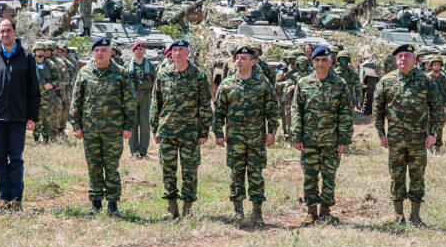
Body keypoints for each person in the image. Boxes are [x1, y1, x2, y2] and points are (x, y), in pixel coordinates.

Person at [0, 18, 40, 211]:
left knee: (17, 159)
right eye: (2, 31)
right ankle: (4, 198)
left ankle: (17, 200)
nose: (5, 34)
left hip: (18, 117)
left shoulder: (27, 57)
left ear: (15, 32)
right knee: (0, 159)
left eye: (8, 30)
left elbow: (33, 89)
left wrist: (32, 116)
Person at [372, 44, 441, 225]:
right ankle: (398, 215)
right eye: (400, 56)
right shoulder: (386, 81)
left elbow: (436, 108)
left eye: (407, 56)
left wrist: (432, 133)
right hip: (395, 140)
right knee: (396, 175)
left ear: (415, 59)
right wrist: (381, 133)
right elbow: (377, 110)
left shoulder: (426, 80)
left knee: (417, 176)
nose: (403, 59)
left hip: (419, 139)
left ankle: (415, 216)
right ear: (396, 60)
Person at [212, 45, 280, 225]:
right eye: (237, 58)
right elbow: (219, 111)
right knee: (236, 173)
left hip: (257, 138)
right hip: (235, 139)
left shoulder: (263, 83)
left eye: (243, 58)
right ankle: (237, 210)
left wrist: (272, 131)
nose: (238, 61)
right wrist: (218, 133)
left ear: (253, 61)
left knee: (256, 173)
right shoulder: (227, 84)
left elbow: (272, 110)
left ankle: (257, 212)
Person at [70, 36, 135, 217]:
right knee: (94, 167)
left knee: (111, 167)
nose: (100, 53)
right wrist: (76, 124)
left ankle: (113, 205)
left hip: (113, 130)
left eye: (103, 51)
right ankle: (96, 204)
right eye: (97, 50)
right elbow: (76, 100)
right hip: (90, 129)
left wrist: (128, 126)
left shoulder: (121, 73)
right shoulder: (85, 73)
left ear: (110, 53)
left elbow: (129, 102)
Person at [291, 45, 353, 225]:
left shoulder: (340, 84)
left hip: (331, 140)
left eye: (324, 60)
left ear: (330, 62)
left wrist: (344, 139)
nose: (320, 63)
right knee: (309, 175)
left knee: (329, 176)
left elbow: (345, 113)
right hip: (309, 140)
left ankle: (325, 211)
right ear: (312, 62)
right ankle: (311, 212)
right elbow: (296, 110)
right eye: (317, 60)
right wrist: (297, 135)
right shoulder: (303, 84)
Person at [150, 38, 211, 218]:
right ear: (171, 53)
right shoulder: (163, 74)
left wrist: (204, 130)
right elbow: (156, 102)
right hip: (167, 130)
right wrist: (155, 128)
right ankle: (171, 208)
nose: (178, 53)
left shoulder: (198, 76)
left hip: (190, 132)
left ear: (188, 53)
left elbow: (205, 105)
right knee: (168, 169)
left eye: (181, 50)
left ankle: (187, 208)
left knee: (189, 169)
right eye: (174, 50)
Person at [128, 42, 157, 159]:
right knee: (132, 124)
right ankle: (134, 151)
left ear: (145, 51)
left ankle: (143, 150)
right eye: (137, 49)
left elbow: (155, 82)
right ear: (133, 51)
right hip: (131, 97)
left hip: (146, 97)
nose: (139, 51)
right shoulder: (127, 65)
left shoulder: (150, 65)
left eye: (141, 49)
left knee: (145, 125)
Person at [427, 55, 446, 153]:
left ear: (441, 66)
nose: (436, 66)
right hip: (428, 108)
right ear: (431, 66)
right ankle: (429, 148)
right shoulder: (427, 78)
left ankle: (437, 148)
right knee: (428, 127)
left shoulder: (444, 78)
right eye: (434, 64)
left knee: (439, 128)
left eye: (438, 65)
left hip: (440, 108)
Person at [32, 41, 61, 143]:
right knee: (35, 118)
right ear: (34, 51)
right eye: (37, 50)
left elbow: (58, 78)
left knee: (46, 118)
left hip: (47, 97)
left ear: (44, 52)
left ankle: (46, 139)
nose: (39, 52)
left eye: (41, 50)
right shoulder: (30, 64)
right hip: (33, 97)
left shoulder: (50, 64)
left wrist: (52, 85)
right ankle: (36, 139)